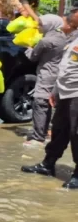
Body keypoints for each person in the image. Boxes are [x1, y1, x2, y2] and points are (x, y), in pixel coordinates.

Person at [21, 34, 78, 189]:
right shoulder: (75, 38)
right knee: (59, 128)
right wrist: (55, 90)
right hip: (65, 91)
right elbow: (67, 67)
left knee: (76, 132)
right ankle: (48, 164)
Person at [24, 15, 69, 148]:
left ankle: (38, 138)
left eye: (41, 24)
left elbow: (33, 56)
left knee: (40, 103)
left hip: (46, 74)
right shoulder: (63, 37)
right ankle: (43, 132)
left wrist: (27, 47)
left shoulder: (46, 41)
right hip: (58, 74)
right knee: (47, 102)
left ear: (49, 25)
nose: (38, 27)